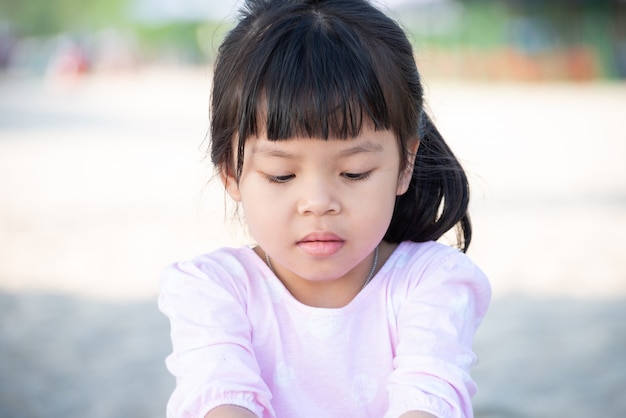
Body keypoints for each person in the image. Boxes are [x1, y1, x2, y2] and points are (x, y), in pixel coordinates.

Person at [159, 0, 491, 417]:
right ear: (230, 172)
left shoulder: (430, 282)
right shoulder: (213, 289)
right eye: (281, 175)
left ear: (405, 164)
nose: (318, 203)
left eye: (354, 173)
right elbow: (217, 396)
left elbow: (431, 396)